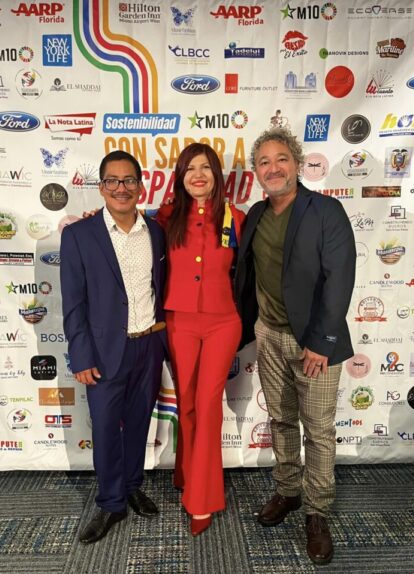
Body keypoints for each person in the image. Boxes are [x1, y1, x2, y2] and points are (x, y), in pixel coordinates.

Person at [235, 127, 356, 565]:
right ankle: (287, 491)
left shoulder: (325, 210)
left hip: (314, 343)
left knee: (317, 430)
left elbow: (339, 278)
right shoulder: (255, 214)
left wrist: (322, 341)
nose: (273, 168)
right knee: (282, 420)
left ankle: (317, 511)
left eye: (281, 159)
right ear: (256, 171)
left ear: (297, 163)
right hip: (269, 335)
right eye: (264, 162)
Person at [60, 150, 167, 544]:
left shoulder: (155, 231)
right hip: (104, 352)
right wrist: (81, 355)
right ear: (102, 187)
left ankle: (132, 485)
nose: (122, 188)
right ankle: (110, 503)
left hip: (149, 346)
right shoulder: (78, 235)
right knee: (105, 429)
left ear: (141, 185)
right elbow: (73, 303)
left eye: (129, 180)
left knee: (139, 423)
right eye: (113, 181)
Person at [156, 143, 245, 536]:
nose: (198, 175)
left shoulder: (236, 218)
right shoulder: (165, 217)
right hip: (179, 321)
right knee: (187, 403)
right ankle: (187, 473)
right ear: (180, 175)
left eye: (205, 167)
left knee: (208, 406)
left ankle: (202, 499)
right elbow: (127, 234)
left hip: (223, 322)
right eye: (190, 168)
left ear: (217, 175)